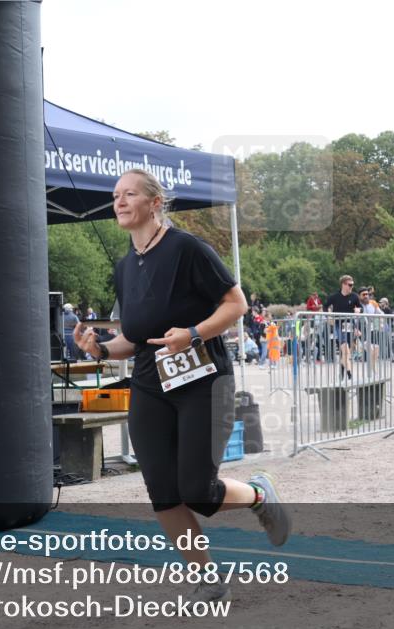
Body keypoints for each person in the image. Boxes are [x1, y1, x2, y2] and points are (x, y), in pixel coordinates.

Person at [72, 169, 290, 604]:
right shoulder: (124, 267)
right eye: (115, 196)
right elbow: (134, 341)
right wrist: (97, 349)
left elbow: (237, 304)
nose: (119, 201)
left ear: (155, 203)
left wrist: (193, 333)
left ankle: (259, 494)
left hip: (203, 383)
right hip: (152, 388)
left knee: (198, 492)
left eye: (129, 194)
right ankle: (208, 579)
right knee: (163, 492)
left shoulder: (187, 248)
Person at [325, 275, 362, 380]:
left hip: (350, 325)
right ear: (343, 284)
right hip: (338, 325)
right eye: (350, 285)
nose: (351, 287)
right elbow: (325, 305)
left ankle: (341, 376)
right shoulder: (334, 296)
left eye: (352, 285)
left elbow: (361, 308)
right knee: (345, 350)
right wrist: (327, 314)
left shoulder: (354, 296)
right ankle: (350, 375)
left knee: (346, 353)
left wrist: (359, 310)